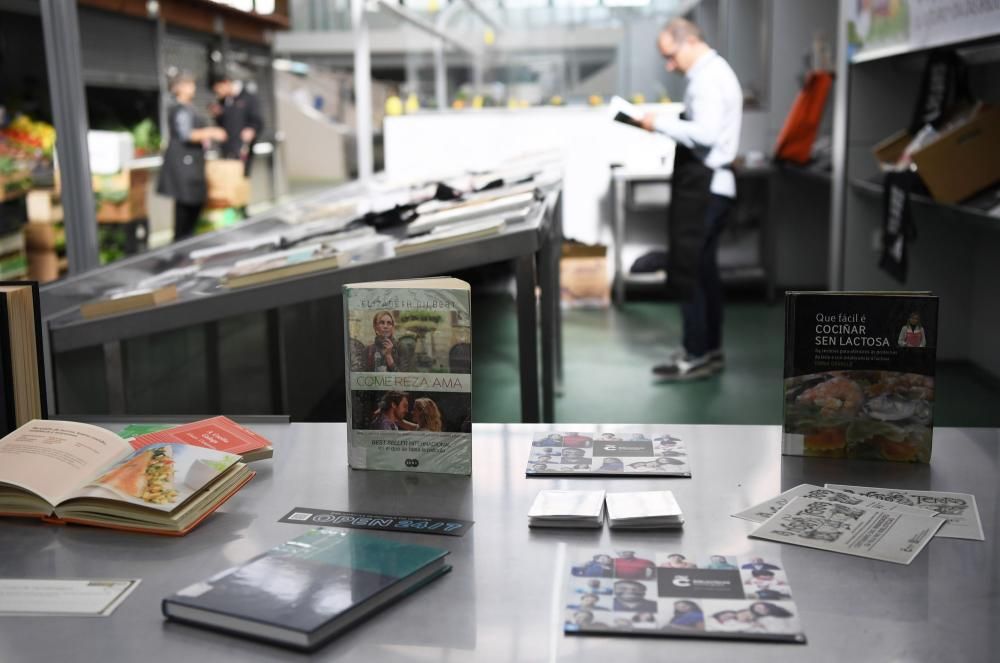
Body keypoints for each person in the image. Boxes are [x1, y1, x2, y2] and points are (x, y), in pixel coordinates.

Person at [640, 17, 742, 381]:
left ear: (688, 43)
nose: (670, 65)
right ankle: (709, 349)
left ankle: (697, 354)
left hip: (703, 188)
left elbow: (706, 134)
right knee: (704, 272)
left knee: (689, 272)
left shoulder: (707, 78)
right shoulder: (714, 72)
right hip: (713, 186)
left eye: (670, 56)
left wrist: (658, 123)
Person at [157, 71, 226, 241]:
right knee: (187, 206)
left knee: (191, 206)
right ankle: (180, 248)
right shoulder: (181, 110)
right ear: (178, 88)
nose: (192, 88)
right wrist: (211, 131)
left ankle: (184, 244)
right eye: (189, 85)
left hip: (191, 164)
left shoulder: (188, 108)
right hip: (184, 166)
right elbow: (186, 134)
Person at [210, 73, 263, 176]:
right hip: (227, 148)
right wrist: (218, 115)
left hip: (243, 147)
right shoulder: (224, 101)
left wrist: (251, 129)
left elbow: (257, 120)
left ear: (225, 83)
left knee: (241, 177)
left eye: (219, 89)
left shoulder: (248, 98)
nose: (218, 93)